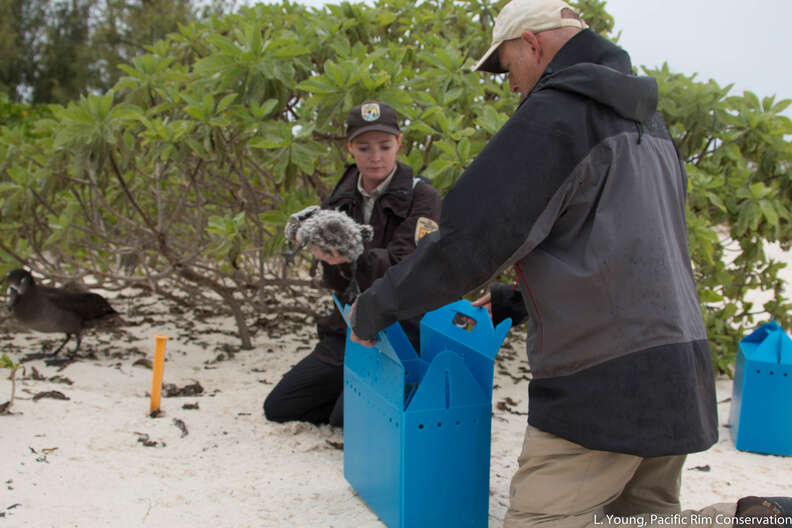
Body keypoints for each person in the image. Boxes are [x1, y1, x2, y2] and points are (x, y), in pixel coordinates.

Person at [347, 1, 791, 527]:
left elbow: (468, 241)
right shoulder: (648, 118)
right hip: (678, 366)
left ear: (532, 44)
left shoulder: (558, 112)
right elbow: (620, 241)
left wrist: (374, 308)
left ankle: (753, 517)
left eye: (508, 66)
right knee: (641, 518)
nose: (510, 85)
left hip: (604, 380)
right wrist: (519, 300)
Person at [263, 101, 442, 428]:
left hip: (399, 330)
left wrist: (350, 257)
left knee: (344, 422)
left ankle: (373, 399)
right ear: (350, 149)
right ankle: (353, 396)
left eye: (385, 146)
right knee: (279, 407)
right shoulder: (339, 199)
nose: (375, 157)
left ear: (399, 143)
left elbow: (406, 265)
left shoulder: (423, 197)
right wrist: (327, 258)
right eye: (364, 148)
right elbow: (336, 280)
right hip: (346, 329)